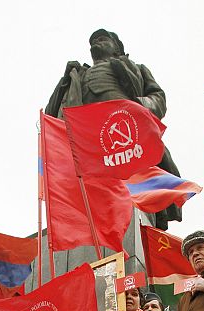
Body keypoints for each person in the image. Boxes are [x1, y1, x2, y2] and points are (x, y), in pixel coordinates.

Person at [45, 29, 181, 229]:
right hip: (87, 136)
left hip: (124, 130)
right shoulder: (77, 74)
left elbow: (157, 97)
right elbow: (50, 116)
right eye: (93, 40)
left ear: (117, 47)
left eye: (103, 39)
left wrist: (138, 107)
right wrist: (64, 81)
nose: (96, 42)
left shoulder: (136, 68)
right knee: (90, 190)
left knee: (131, 182)